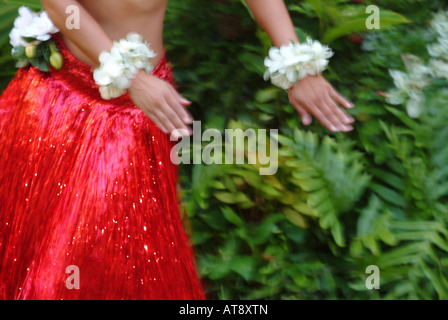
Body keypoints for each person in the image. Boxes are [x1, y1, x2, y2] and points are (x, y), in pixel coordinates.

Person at [0, 0, 355, 300]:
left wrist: (296, 65)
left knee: (98, 263)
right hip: (54, 100)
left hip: (137, 116)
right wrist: (132, 77)